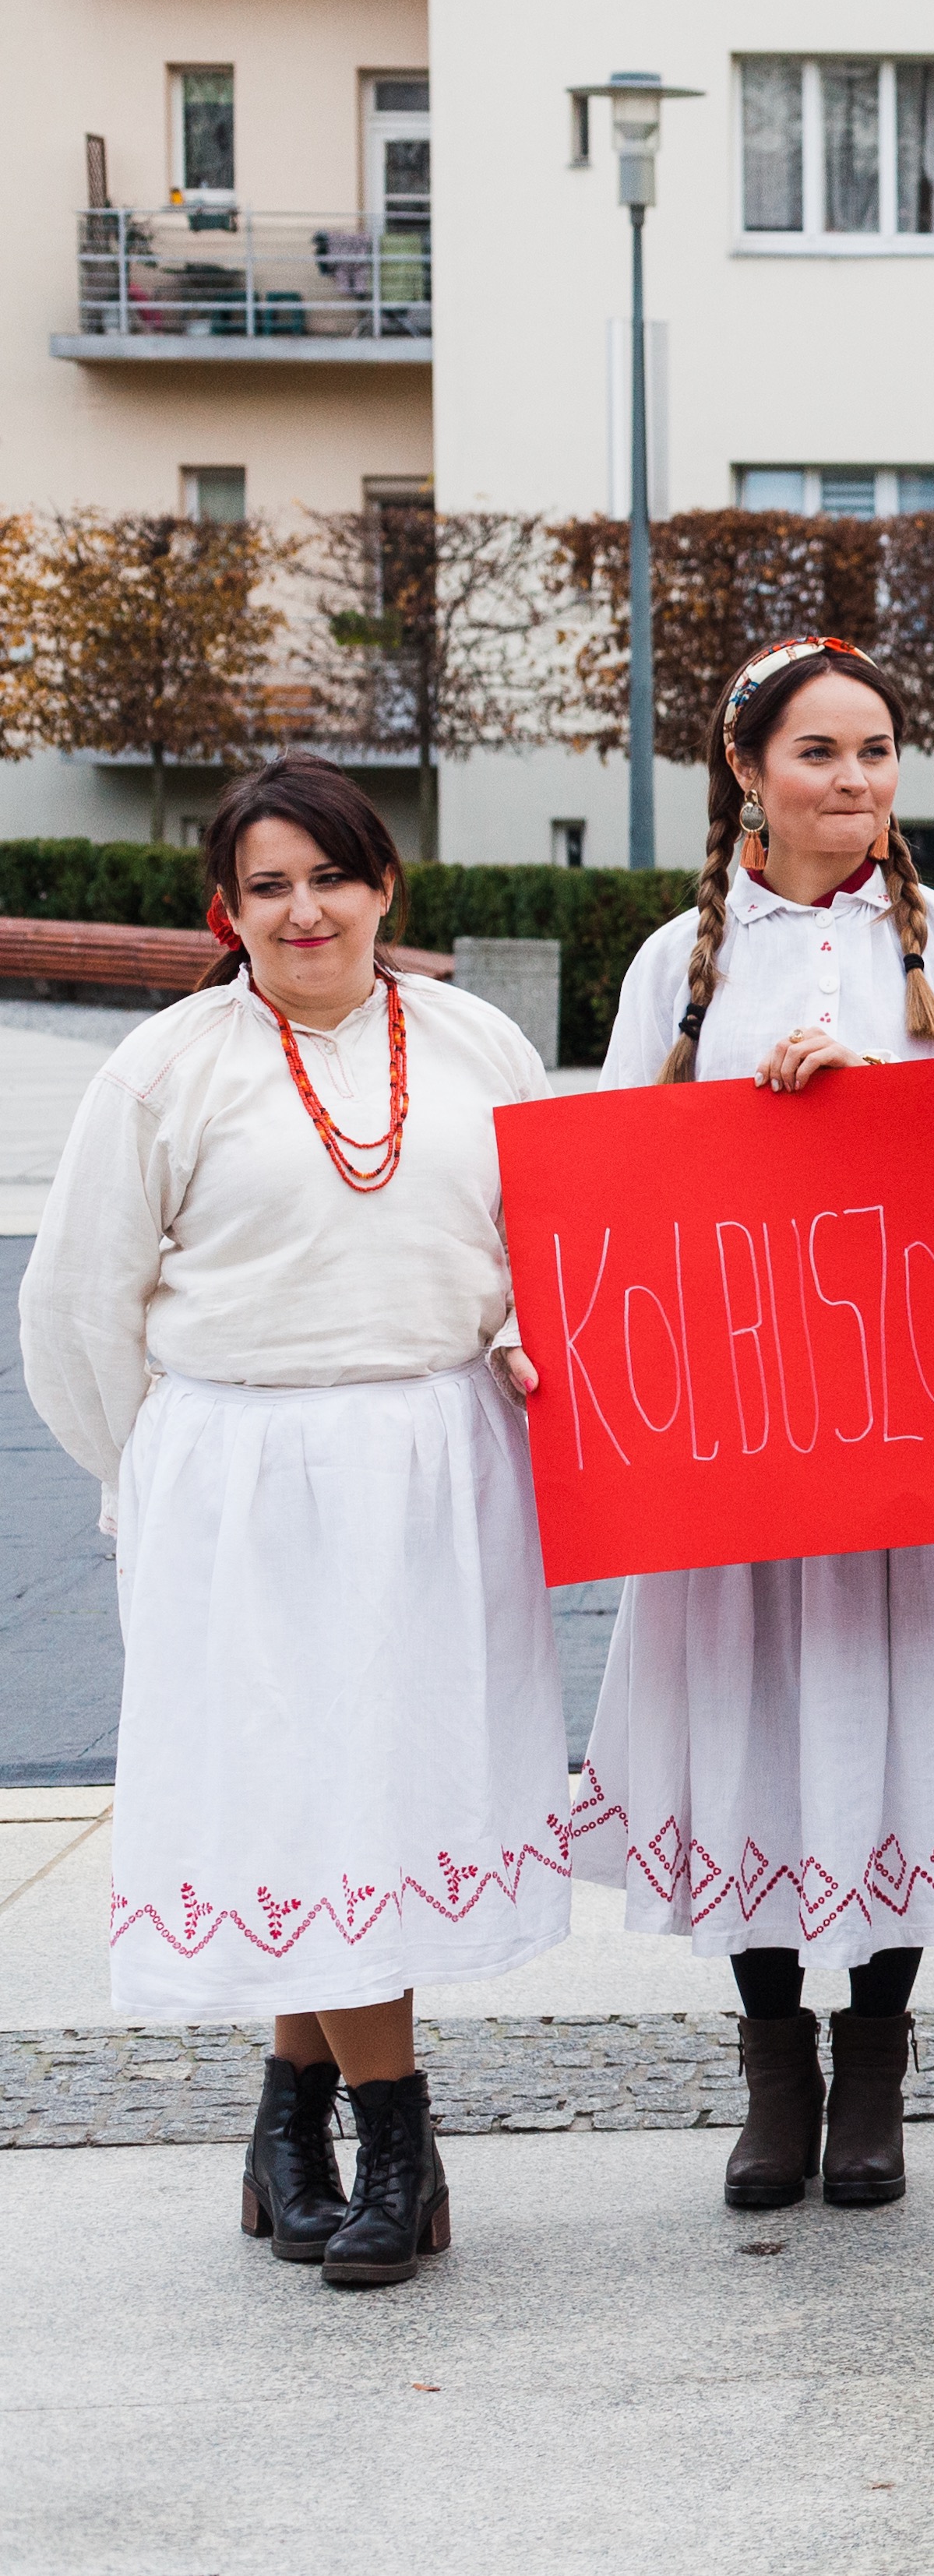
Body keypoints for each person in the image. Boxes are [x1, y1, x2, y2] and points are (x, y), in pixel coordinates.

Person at [21, 755, 567, 2287]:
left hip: (432, 1467)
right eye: (267, 884)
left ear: (385, 883)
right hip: (241, 1472)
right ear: (229, 905)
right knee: (291, 1790)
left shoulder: (475, 1043)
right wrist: (160, 1467)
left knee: (368, 1796)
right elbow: (73, 1303)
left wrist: (524, 1337)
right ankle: (398, 2131)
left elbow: (553, 1243)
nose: (303, 907)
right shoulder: (171, 1068)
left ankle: (284, 2120)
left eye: (328, 874)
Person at [566, 637, 934, 2214]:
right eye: (819, 753)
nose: (854, 781)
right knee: (756, 1722)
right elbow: (616, 1169)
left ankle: (876, 2048)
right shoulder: (681, 963)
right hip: (741, 1429)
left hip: (908, 1421)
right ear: (748, 769)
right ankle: (772, 2050)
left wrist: (873, 1096)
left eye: (875, 751)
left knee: (890, 1714)